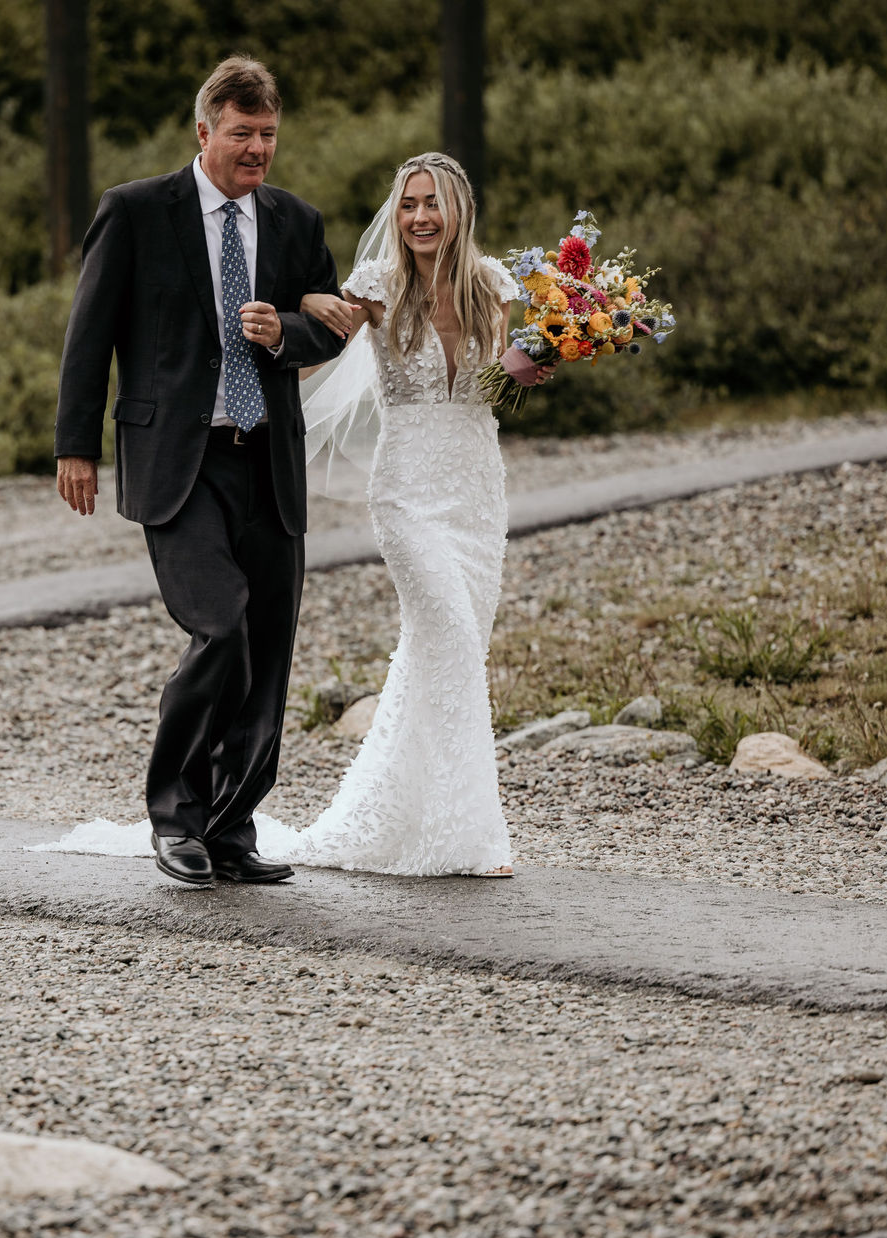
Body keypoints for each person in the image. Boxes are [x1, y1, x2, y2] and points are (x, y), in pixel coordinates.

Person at [41, 152, 553, 879]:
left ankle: (441, 827)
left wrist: (549, 356)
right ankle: (184, 817)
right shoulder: (377, 284)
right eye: (408, 204)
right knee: (441, 626)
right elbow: (321, 339)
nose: (419, 217)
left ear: (459, 208)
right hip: (406, 489)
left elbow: (498, 387)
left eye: (432, 203)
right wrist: (286, 327)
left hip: (474, 487)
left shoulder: (493, 284)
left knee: (451, 649)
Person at [52, 56, 348, 887]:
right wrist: (75, 445)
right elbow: (90, 335)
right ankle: (175, 817)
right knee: (220, 627)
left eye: (268, 135)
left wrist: (282, 330)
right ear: (204, 131)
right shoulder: (137, 211)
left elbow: (332, 325)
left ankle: (232, 828)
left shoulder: (296, 221)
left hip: (268, 460)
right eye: (242, 133)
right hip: (177, 460)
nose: (257, 150)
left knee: (269, 646)